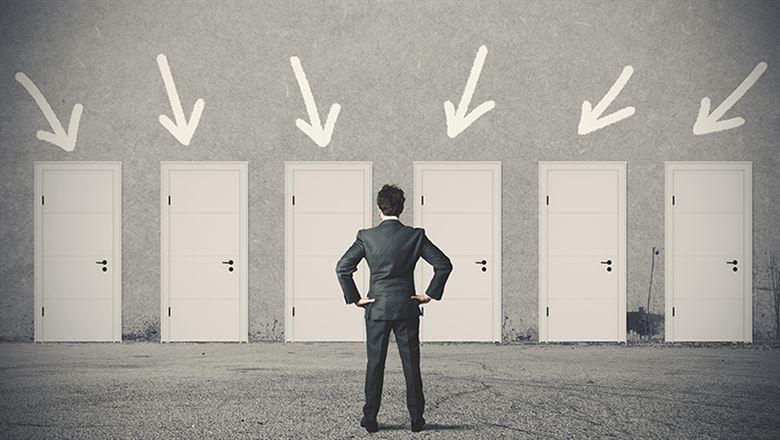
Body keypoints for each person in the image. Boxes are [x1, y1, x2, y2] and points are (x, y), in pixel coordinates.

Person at [335, 184, 453, 433]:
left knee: (375, 364)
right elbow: (443, 265)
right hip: (406, 308)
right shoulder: (415, 235)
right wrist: (429, 295)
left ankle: (370, 419)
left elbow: (343, 268)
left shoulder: (366, 237)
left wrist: (355, 298)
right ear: (401, 208)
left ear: (379, 209)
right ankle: (416, 420)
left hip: (377, 309)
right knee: (411, 364)